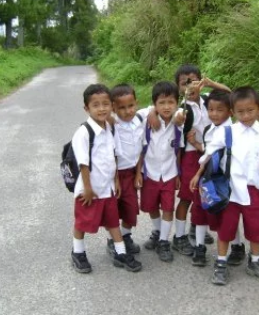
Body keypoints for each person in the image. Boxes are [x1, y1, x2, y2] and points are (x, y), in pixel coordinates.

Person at [191, 87, 259, 286]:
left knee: (256, 227)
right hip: (229, 190)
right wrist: (198, 174)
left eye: (250, 110)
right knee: (226, 228)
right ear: (233, 112)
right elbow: (209, 153)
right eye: (240, 112)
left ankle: (255, 260)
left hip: (253, 188)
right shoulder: (227, 131)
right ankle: (221, 263)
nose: (245, 116)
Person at [70, 84, 142, 274]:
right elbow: (83, 163)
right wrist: (87, 187)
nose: (101, 109)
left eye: (105, 104)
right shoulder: (84, 132)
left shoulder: (110, 128)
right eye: (95, 105)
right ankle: (78, 252)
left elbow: (114, 156)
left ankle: (120, 253)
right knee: (82, 222)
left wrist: (116, 181)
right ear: (87, 109)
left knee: (112, 222)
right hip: (89, 190)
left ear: (111, 106)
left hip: (107, 187)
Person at [174, 64, 231, 253]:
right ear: (179, 87)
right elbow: (176, 119)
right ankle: (179, 236)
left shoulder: (209, 100)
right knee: (186, 196)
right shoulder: (182, 108)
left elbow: (230, 94)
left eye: (194, 81)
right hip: (192, 154)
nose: (190, 86)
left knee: (206, 192)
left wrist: (211, 83)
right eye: (185, 83)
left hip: (211, 154)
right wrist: (179, 119)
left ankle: (196, 226)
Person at [136, 82, 185, 263]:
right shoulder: (146, 121)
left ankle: (164, 241)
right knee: (150, 207)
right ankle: (157, 231)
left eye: (171, 102)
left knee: (167, 208)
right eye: (162, 102)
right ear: (155, 105)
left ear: (176, 104)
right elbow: (141, 149)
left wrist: (178, 174)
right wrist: (138, 173)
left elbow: (178, 151)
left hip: (170, 174)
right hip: (150, 173)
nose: (166, 107)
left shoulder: (178, 122)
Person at [189, 89, 234, 267]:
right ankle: (200, 248)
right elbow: (207, 153)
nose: (214, 114)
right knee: (200, 210)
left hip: (224, 180)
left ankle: (236, 247)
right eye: (211, 109)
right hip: (207, 178)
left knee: (226, 214)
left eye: (219, 109)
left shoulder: (233, 131)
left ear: (230, 111)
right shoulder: (209, 129)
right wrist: (198, 174)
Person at [105, 84, 144, 257]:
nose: (127, 111)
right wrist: (115, 180)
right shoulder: (112, 123)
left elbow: (141, 150)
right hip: (114, 175)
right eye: (121, 107)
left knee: (131, 208)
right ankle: (114, 240)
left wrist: (138, 173)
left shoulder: (140, 121)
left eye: (131, 106)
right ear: (113, 108)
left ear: (136, 103)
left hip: (131, 173)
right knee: (112, 209)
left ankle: (125, 235)